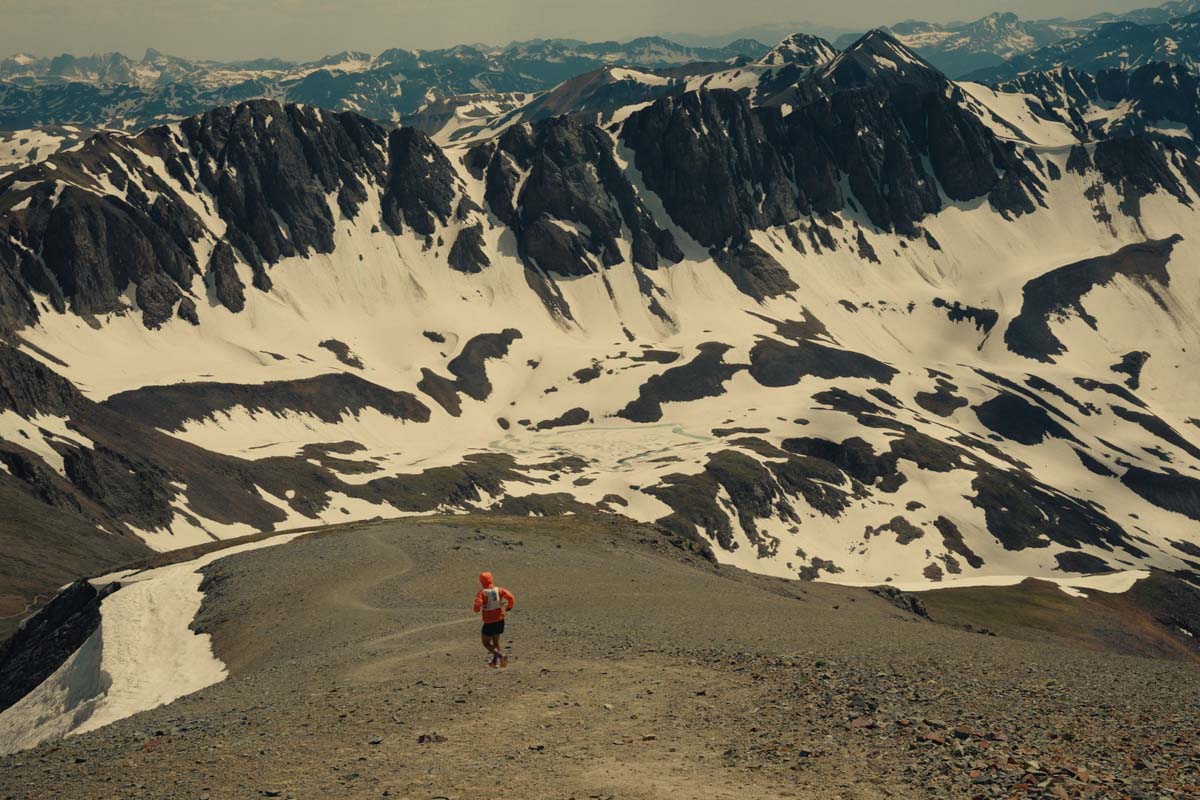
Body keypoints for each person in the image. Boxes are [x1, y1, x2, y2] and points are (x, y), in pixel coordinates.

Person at [473, 571, 515, 668]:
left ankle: (501, 656)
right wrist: (509, 607)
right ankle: (497, 662)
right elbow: (511, 597)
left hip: (489, 621)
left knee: (486, 642)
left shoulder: (482, 593)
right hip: (500, 620)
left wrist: (476, 609)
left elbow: (477, 604)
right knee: (496, 641)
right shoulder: (499, 590)